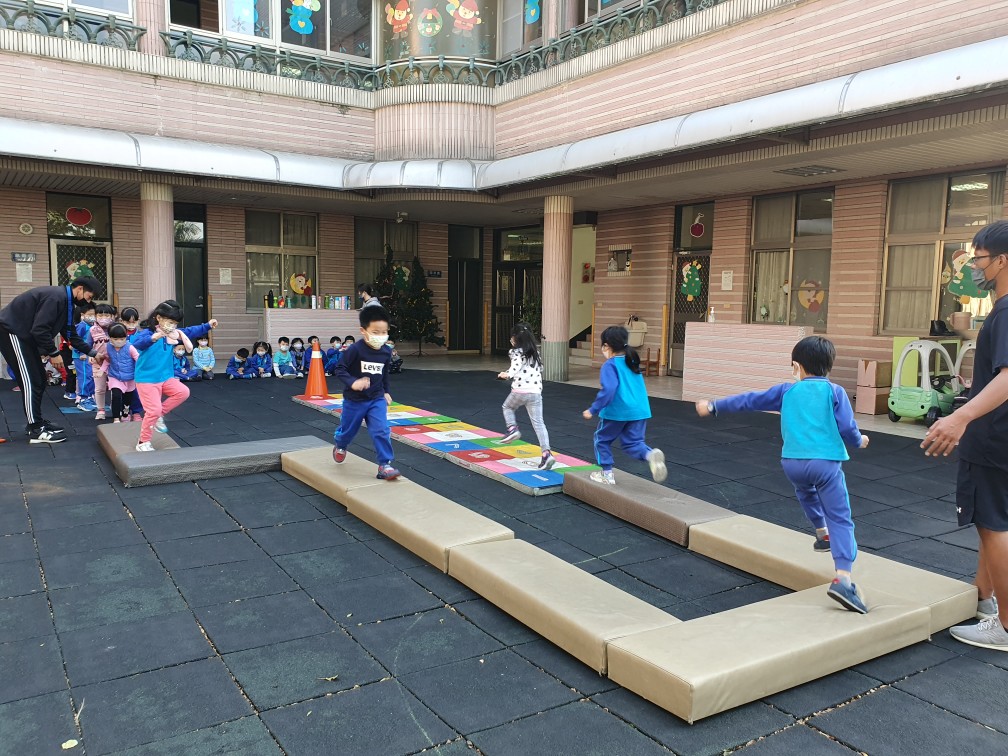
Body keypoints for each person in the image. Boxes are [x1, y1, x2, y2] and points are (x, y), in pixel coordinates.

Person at [696, 335, 870, 614]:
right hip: (825, 464)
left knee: (806, 493)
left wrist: (714, 406)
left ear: (796, 367)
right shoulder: (835, 392)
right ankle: (843, 579)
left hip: (792, 463)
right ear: (830, 366)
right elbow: (848, 429)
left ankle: (821, 533)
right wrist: (860, 440)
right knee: (840, 517)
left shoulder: (786, 391)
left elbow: (749, 401)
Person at [923, 220, 1008, 649]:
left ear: (1002, 260)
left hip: (993, 438)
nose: (975, 267)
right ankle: (983, 598)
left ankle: (1005, 626)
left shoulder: (1006, 312)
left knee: (993, 525)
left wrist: (961, 418)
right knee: (994, 521)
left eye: (979, 259)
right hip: (999, 436)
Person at [0, 277, 100, 443]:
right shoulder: (56, 297)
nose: (88, 302)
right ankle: (35, 429)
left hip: (24, 336)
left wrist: (93, 353)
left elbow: (70, 334)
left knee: (40, 379)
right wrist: (54, 353)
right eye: (89, 297)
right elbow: (40, 329)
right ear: (80, 289)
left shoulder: (67, 303)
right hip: (12, 332)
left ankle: (36, 422)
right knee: (31, 380)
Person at [582, 325, 667, 486]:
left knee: (601, 440)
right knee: (633, 443)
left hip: (617, 411)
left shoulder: (610, 365)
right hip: (640, 410)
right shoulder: (632, 360)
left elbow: (609, 389)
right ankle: (650, 455)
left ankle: (607, 474)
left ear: (606, 346)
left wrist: (593, 409)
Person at [132, 301, 216, 452]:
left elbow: (190, 331)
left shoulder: (173, 334)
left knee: (183, 392)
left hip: (165, 377)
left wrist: (208, 325)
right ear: (159, 318)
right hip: (147, 379)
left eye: (175, 323)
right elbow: (137, 343)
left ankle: (158, 415)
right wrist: (154, 338)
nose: (173, 326)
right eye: (170, 322)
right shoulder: (148, 333)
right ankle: (143, 442)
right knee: (153, 410)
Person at [331, 306, 399, 480]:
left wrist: (386, 392)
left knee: (381, 430)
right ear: (363, 331)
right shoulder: (355, 349)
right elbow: (340, 368)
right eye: (375, 332)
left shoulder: (386, 351)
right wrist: (353, 382)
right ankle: (341, 444)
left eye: (384, 332)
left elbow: (384, 374)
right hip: (354, 400)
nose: (380, 336)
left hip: (376, 398)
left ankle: (385, 464)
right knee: (348, 431)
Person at [496, 323, 555, 470]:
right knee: (539, 424)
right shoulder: (535, 352)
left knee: (507, 407)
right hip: (536, 393)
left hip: (520, 391)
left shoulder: (515, 352)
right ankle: (546, 453)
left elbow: (515, 366)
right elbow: (540, 368)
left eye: (512, 337)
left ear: (515, 338)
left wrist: (507, 374)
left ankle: (512, 429)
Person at [101, 323, 138, 424]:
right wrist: (102, 370)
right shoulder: (108, 347)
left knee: (127, 400)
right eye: (116, 339)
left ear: (126, 337)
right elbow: (107, 359)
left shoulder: (130, 347)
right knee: (116, 396)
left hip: (129, 377)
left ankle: (125, 414)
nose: (119, 341)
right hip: (115, 376)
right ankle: (116, 418)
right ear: (110, 338)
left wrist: (141, 371)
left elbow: (138, 359)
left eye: (122, 339)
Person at [89, 303, 116, 419]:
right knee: (99, 388)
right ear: (95, 316)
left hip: (114, 363)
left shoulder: (116, 329)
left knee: (116, 387)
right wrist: (90, 354)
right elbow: (88, 345)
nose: (103, 318)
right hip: (98, 362)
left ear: (112, 316)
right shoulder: (92, 330)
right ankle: (100, 410)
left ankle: (116, 408)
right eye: (100, 315)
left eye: (106, 315)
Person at [73, 302, 97, 411]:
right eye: (90, 314)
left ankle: (89, 397)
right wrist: (81, 352)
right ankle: (83, 399)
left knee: (90, 376)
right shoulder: (82, 326)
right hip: (81, 356)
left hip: (90, 355)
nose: (92, 317)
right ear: (83, 315)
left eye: (94, 314)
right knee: (84, 376)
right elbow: (75, 340)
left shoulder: (93, 326)